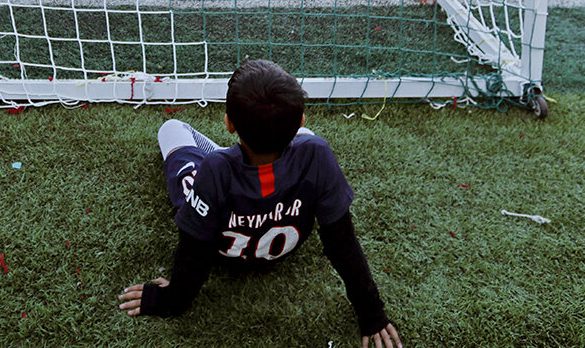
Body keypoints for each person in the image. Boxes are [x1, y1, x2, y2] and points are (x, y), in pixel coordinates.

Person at [117, 59, 402, 348]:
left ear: (229, 123)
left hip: (223, 239)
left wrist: (172, 299)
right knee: (307, 142)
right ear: (301, 119)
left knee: (171, 127)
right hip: (282, 239)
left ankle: (245, 151)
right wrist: (371, 312)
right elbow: (342, 242)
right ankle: (262, 147)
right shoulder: (316, 154)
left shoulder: (214, 169)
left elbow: (194, 249)